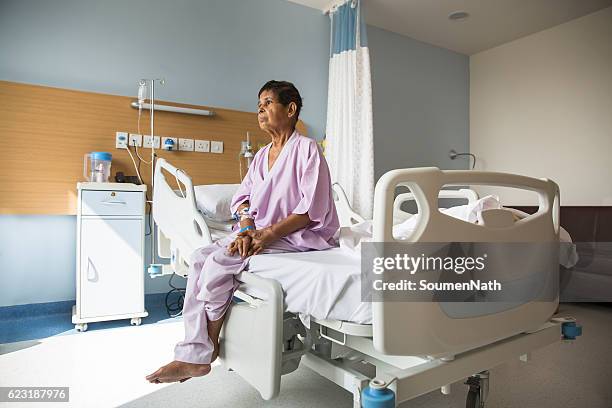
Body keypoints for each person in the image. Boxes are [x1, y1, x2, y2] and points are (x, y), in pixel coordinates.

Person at [146, 80, 339, 383]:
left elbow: (309, 209)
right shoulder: (261, 156)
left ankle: (199, 354)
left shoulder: (307, 150)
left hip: (297, 234)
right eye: (258, 105)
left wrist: (266, 235)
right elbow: (242, 198)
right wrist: (248, 226)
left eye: (268, 103)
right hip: (259, 230)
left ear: (290, 109)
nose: (261, 110)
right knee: (198, 257)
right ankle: (198, 350)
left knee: (220, 262)